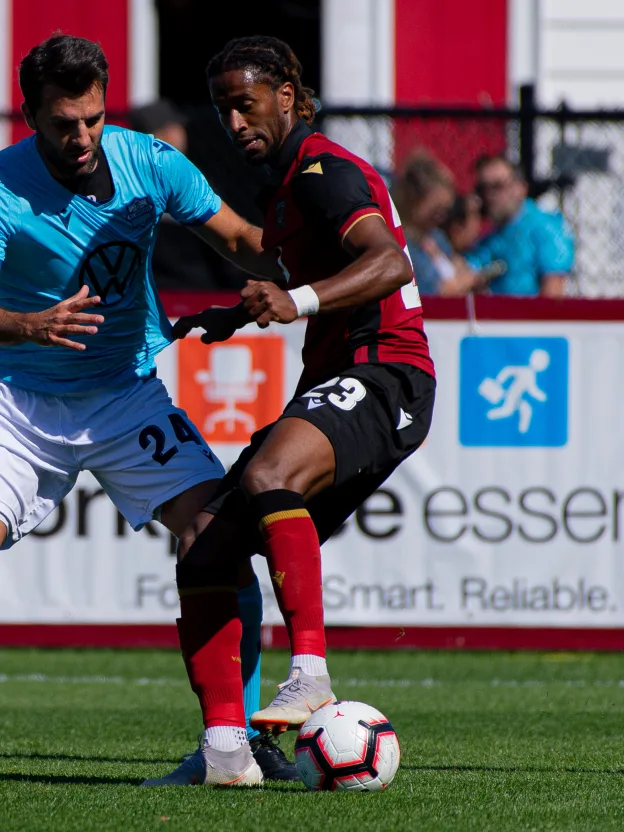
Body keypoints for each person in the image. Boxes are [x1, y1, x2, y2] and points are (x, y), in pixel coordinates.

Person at [141, 35, 436, 788]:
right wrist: (237, 313)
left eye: (246, 103)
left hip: (386, 371)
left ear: (286, 96)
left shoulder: (321, 170)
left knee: (270, 472)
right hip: (339, 375)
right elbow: (290, 272)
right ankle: (225, 753)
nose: (235, 122)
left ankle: (310, 673)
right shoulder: (285, 191)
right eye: (223, 109)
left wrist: (294, 300)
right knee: (204, 542)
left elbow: (389, 262)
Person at [0, 33, 295, 782]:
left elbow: (239, 238)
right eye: (64, 123)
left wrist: (330, 264)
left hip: (127, 396)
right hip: (20, 404)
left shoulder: (151, 162)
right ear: (30, 116)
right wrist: (27, 325)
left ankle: (235, 742)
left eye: (93, 118)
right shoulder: (4, 189)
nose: (82, 137)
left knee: (218, 536)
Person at [127, 98, 263, 292]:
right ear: (165, 133)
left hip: (156, 290)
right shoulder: (188, 181)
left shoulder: (128, 185)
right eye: (174, 128)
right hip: (192, 290)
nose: (181, 133)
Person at [466, 155, 575, 297]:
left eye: (497, 186)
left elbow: (553, 292)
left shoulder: (545, 228)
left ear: (520, 188)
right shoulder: (489, 240)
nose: (489, 195)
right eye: (482, 189)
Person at [391, 150, 489, 296]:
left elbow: (461, 267)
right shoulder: (402, 244)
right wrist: (465, 281)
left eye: (445, 210)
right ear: (413, 200)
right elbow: (436, 291)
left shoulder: (436, 237)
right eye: (435, 210)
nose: (442, 217)